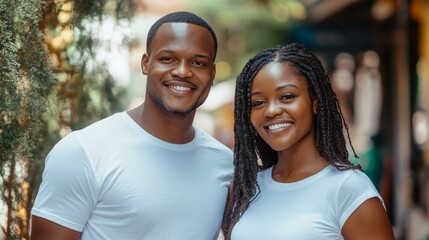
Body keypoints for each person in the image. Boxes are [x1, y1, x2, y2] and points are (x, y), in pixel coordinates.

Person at [30, 11, 233, 240]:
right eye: (168, 59)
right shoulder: (83, 152)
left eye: (198, 62)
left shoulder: (225, 164)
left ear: (212, 73)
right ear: (146, 64)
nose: (182, 71)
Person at [221, 43, 395, 240]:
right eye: (258, 102)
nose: (271, 111)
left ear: (315, 102)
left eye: (287, 96)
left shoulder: (348, 188)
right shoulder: (248, 188)